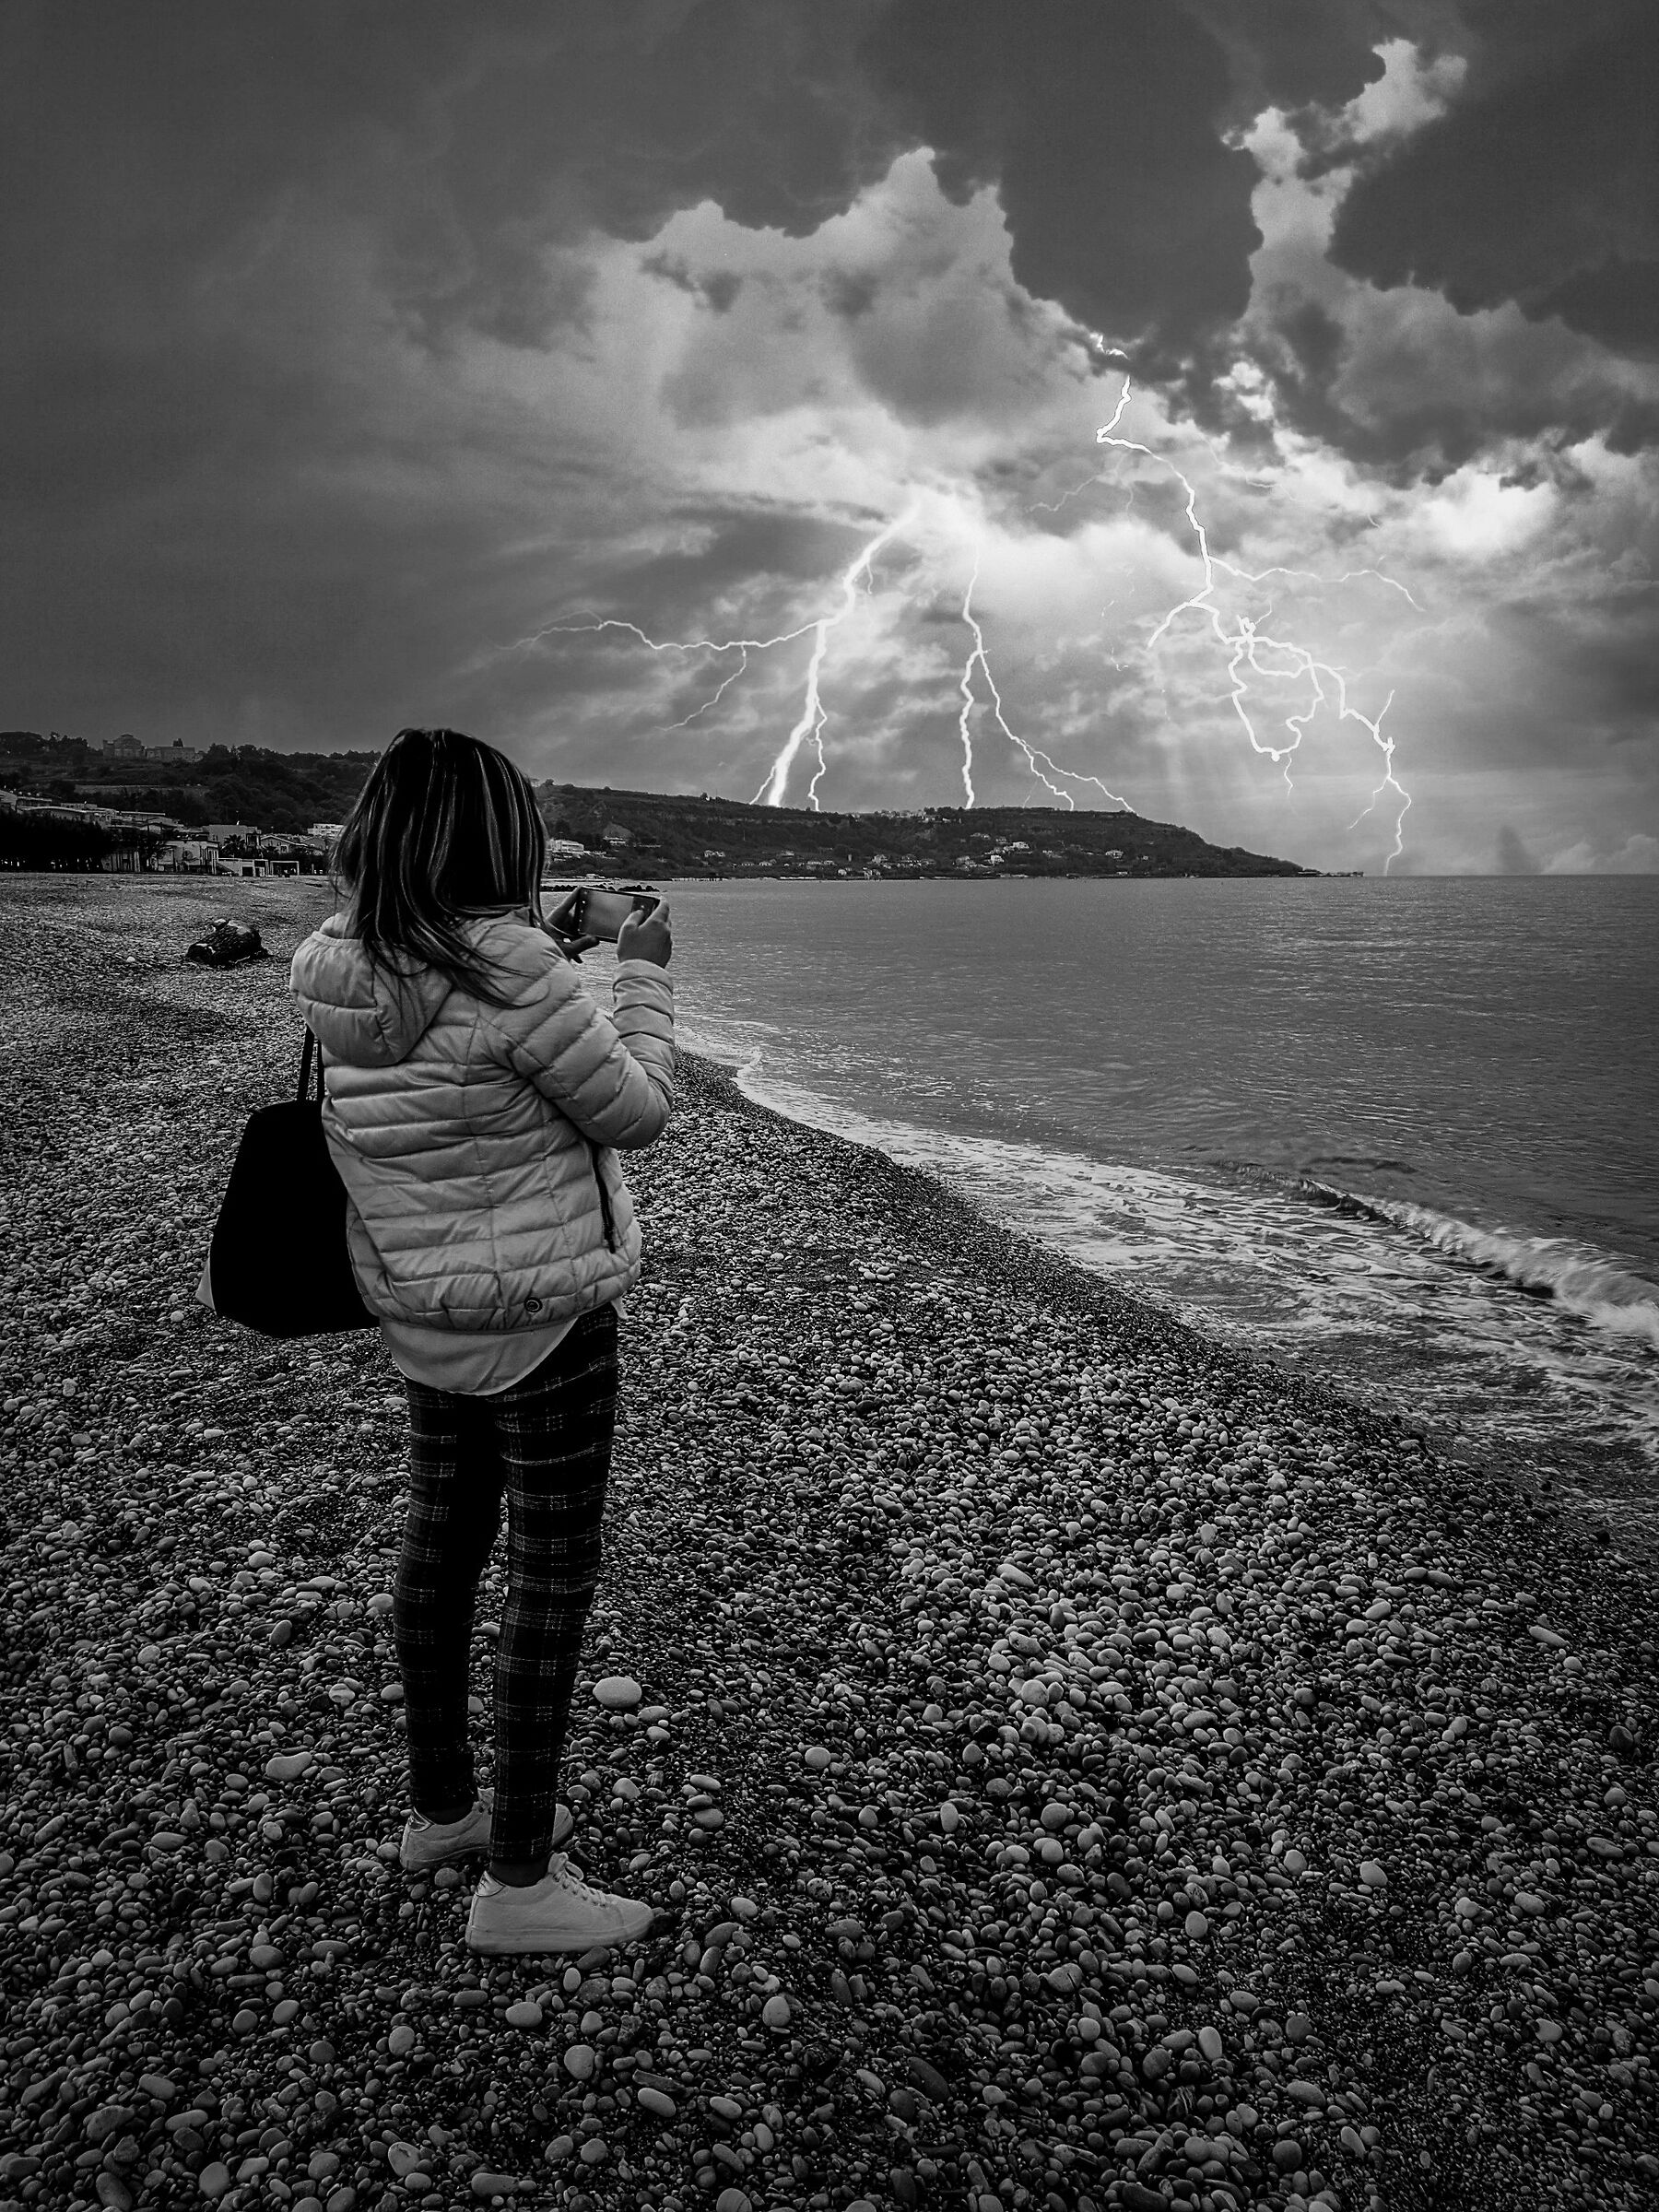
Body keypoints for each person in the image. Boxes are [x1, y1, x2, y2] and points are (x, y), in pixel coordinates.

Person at [288, 727, 675, 1954]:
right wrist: (643, 972)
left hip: (422, 1313)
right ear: (500, 841)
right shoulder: (522, 975)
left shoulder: (345, 965)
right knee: (548, 1585)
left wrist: (563, 940)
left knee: (445, 1545)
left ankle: (443, 1809)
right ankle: (518, 1883)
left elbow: (467, 1019)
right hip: (546, 1323)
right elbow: (641, 1108)